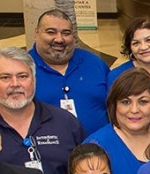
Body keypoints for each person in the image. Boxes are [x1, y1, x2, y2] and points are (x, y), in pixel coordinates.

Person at [0, 46, 84, 174]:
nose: (15, 84)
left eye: (22, 76)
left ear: (34, 80)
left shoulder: (64, 122)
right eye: (5, 77)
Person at [85, 68, 150, 174]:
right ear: (114, 105)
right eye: (125, 102)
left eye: (143, 101)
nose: (134, 110)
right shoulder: (96, 147)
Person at [29, 9, 109, 137]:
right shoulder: (23, 68)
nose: (59, 39)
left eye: (66, 33)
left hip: (99, 149)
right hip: (47, 153)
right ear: (36, 33)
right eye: (51, 32)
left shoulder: (94, 64)